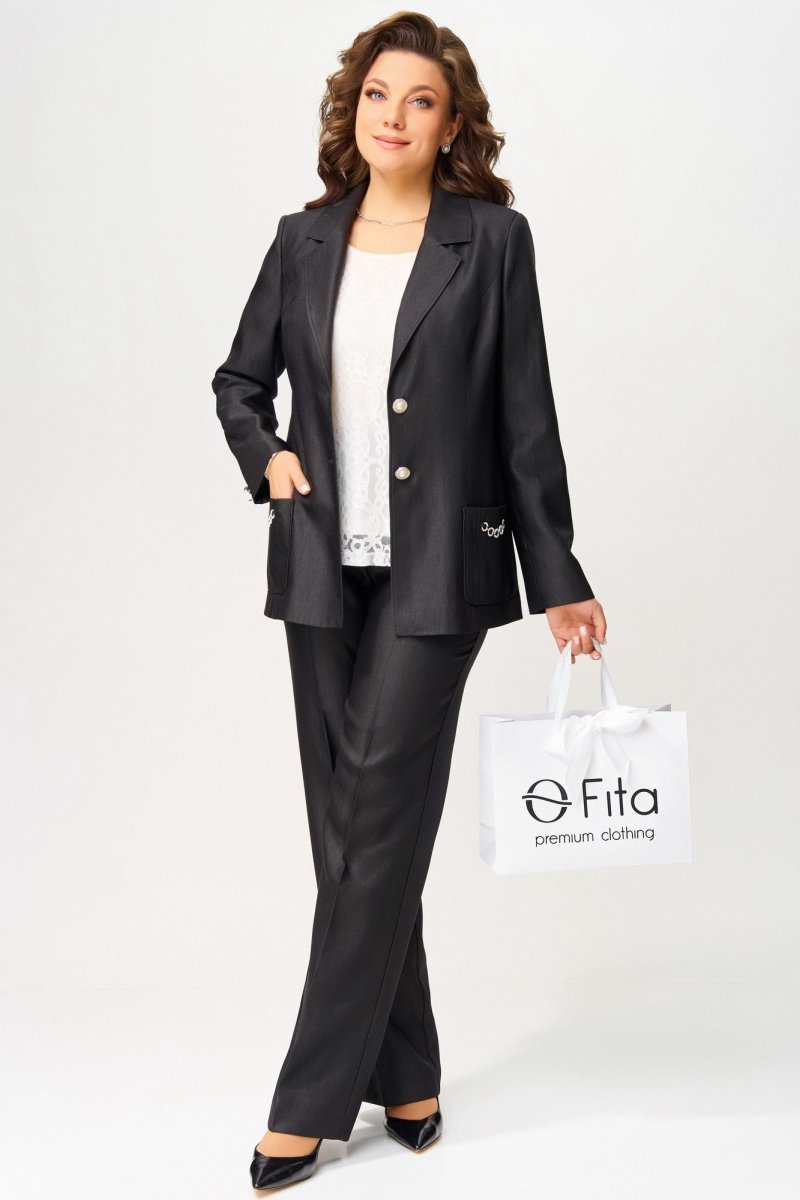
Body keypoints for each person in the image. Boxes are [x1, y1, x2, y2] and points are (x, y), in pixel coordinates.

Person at [212, 11, 608, 1191]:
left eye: (419, 100)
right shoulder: (300, 240)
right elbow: (239, 380)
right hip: (318, 568)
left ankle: (305, 1105)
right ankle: (410, 1074)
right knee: (351, 836)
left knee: (373, 824)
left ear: (449, 123)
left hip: (443, 567)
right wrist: (269, 458)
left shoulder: (491, 243)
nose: (392, 116)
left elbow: (523, 415)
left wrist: (556, 575)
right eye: (376, 95)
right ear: (353, 110)